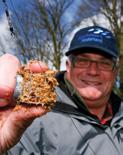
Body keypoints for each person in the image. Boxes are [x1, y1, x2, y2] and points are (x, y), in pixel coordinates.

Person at [0, 25, 123, 155]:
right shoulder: (28, 116)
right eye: (83, 61)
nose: (93, 71)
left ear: (115, 72)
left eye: (104, 63)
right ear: (68, 66)